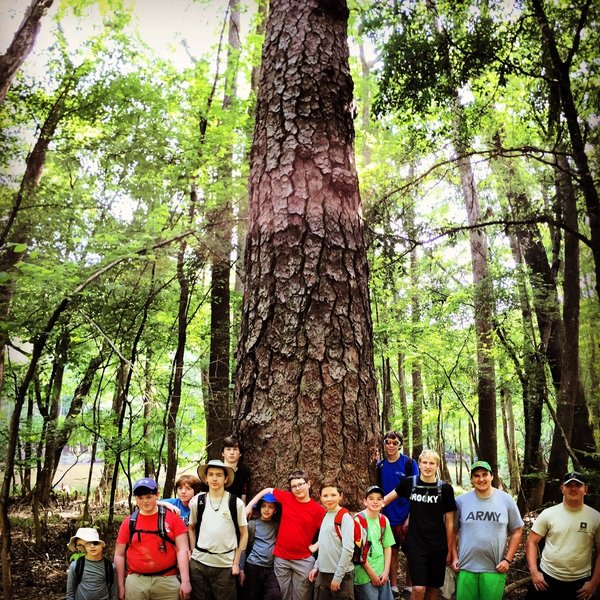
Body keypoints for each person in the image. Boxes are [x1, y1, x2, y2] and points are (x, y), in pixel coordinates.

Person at [384, 449, 456, 600]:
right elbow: (385, 500)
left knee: (432, 588)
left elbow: (450, 523)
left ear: (437, 465)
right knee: (418, 588)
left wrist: (449, 550)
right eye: (424, 462)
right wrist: (367, 512)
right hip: (416, 544)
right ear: (419, 464)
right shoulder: (409, 483)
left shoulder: (445, 489)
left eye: (432, 463)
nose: (428, 466)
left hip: (438, 545)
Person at [245, 469, 325, 600]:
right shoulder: (287, 498)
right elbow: (267, 490)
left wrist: (316, 545)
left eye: (300, 484)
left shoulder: (318, 510)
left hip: (303, 560)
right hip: (281, 559)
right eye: (294, 486)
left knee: (302, 596)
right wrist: (249, 506)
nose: (297, 488)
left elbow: (329, 531)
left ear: (309, 484)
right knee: (282, 595)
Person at [451, 460, 523, 600]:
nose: (481, 479)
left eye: (485, 474)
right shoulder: (461, 501)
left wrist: (507, 560)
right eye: (476, 476)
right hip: (465, 567)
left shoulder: (506, 500)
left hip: (494, 568)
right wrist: (454, 557)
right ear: (472, 479)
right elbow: (453, 531)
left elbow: (517, 531)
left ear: (492, 476)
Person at [526, 471, 600, 600]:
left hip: (580, 583)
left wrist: (594, 582)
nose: (573, 488)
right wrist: (534, 572)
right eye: (568, 485)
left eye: (578, 485)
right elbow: (531, 542)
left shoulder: (595, 517)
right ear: (562, 489)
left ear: (585, 489)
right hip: (547, 579)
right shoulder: (548, 514)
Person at [114, 477, 191, 600]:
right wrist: (120, 585)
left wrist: (185, 581)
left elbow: (183, 550)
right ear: (136, 499)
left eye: (149, 497)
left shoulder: (173, 519)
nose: (145, 501)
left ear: (157, 495)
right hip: (136, 581)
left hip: (167, 581)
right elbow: (119, 554)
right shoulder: (129, 523)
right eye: (140, 498)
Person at [188, 459, 248, 600]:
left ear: (226, 479)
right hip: (199, 565)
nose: (214, 478)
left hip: (225, 566)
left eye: (219, 475)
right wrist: (192, 553)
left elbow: (244, 534)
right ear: (206, 478)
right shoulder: (198, 501)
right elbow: (191, 528)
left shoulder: (235, 503)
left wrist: (236, 563)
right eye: (211, 474)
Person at [376, 430, 417, 598]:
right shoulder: (380, 466)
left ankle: (408, 587)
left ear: (400, 444)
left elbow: (416, 490)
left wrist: (410, 517)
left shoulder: (409, 463)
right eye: (388, 442)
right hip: (387, 517)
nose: (391, 446)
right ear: (384, 444)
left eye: (395, 443)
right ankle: (393, 586)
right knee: (391, 552)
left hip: (407, 515)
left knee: (410, 553)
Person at [308, 480, 355, 599]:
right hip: (323, 574)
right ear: (320, 497)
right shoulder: (325, 515)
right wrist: (316, 567)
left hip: (341, 575)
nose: (329, 499)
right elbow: (324, 545)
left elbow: (348, 549)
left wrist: (338, 578)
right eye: (325, 495)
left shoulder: (344, 517)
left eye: (333, 495)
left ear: (341, 496)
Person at [353, 485, 395, 600]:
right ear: (365, 502)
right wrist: (371, 574)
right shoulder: (359, 520)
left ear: (383, 502)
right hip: (364, 574)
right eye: (371, 498)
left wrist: (386, 571)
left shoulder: (383, 520)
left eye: (379, 499)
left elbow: (387, 547)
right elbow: (357, 553)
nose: (375, 502)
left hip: (381, 572)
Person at [240, 492, 282, 600]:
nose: (266, 509)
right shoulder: (252, 525)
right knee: (252, 595)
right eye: (264, 506)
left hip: (270, 568)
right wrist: (241, 568)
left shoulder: (276, 526)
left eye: (270, 507)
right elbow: (243, 548)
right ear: (259, 508)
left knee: (274, 594)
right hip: (253, 566)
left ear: (275, 510)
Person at [66, 527, 117, 600]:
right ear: (83, 546)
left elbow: (114, 594)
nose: (92, 546)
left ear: (102, 545)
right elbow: (70, 593)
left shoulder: (110, 567)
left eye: (95, 543)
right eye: (87, 544)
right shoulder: (76, 566)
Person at [199, 436, 251, 503]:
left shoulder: (243, 473)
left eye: (235, 449)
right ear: (223, 453)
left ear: (240, 453)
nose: (232, 453)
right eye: (228, 449)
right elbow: (203, 493)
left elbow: (243, 496)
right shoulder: (212, 470)